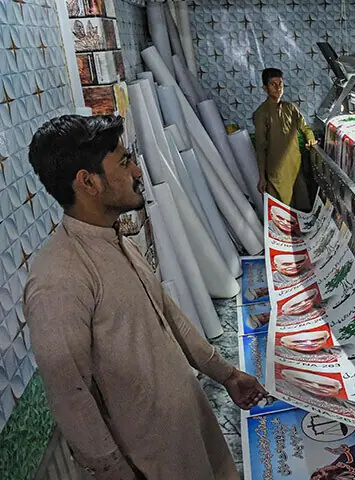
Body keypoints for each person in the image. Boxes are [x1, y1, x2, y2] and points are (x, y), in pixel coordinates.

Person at [24, 115, 268, 480]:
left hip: (189, 432)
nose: (137, 169)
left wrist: (227, 374)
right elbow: (71, 398)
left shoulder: (115, 241)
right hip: (153, 461)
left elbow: (168, 316)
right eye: (124, 162)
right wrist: (116, 472)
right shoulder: (59, 279)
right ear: (87, 182)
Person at [254, 67, 316, 211]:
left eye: (280, 83)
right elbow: (261, 148)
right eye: (273, 84)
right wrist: (262, 177)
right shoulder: (261, 114)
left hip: (295, 167)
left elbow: (304, 127)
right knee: (283, 212)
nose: (277, 87)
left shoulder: (291, 108)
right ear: (265, 88)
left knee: (302, 208)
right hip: (276, 174)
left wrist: (310, 138)